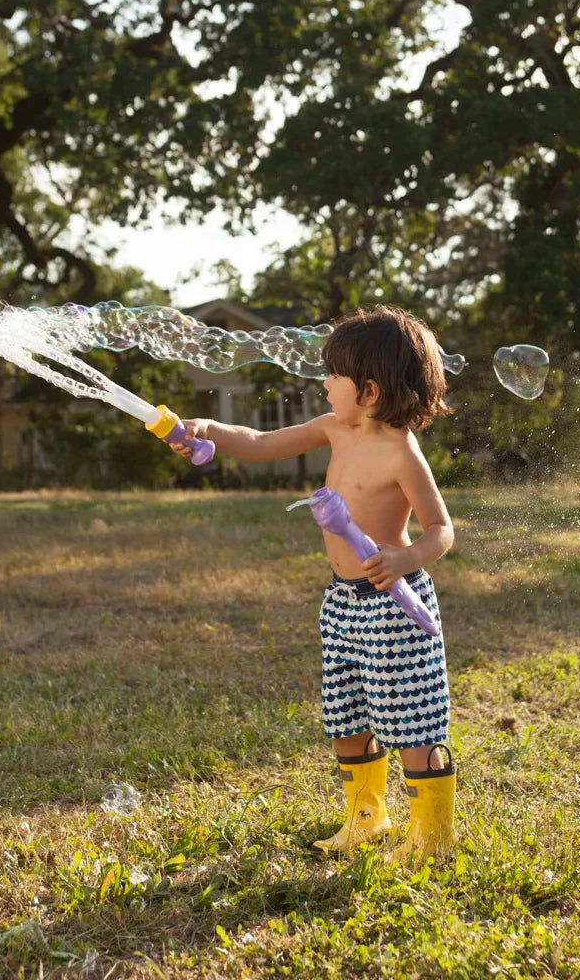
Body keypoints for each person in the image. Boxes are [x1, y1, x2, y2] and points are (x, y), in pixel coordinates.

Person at [167, 305, 458, 862]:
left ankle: (433, 839)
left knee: (413, 724)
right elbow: (259, 441)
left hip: (393, 607)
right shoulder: (334, 428)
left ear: (368, 391)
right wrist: (206, 430)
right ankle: (367, 818)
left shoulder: (401, 453)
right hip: (342, 603)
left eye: (334, 376)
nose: (323, 384)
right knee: (346, 716)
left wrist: (406, 557)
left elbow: (441, 530)